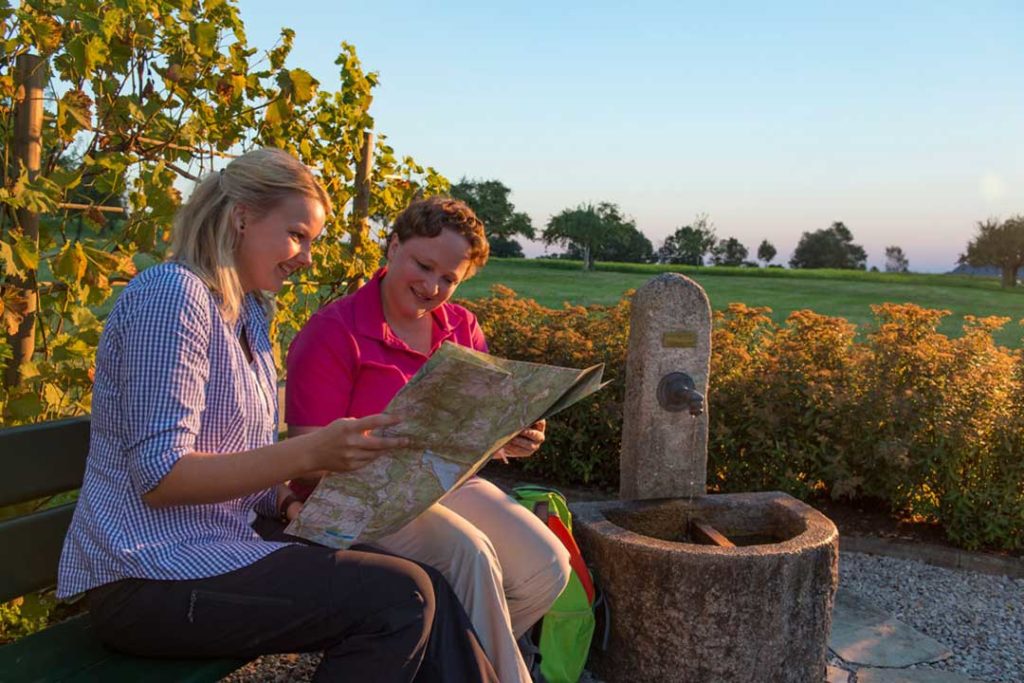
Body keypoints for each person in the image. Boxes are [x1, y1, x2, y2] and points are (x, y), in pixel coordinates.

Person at [56, 149, 498, 683]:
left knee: (427, 584)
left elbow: (233, 453)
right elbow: (161, 475)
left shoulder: (244, 310)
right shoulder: (171, 298)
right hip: (147, 574)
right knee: (398, 600)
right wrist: (311, 453)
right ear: (242, 216)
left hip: (218, 541)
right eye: (297, 235)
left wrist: (283, 498)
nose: (307, 257)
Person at [285, 196, 572, 683]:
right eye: (423, 265)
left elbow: (475, 425)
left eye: (449, 279)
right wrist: (374, 446)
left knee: (547, 565)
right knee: (470, 555)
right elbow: (306, 457)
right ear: (393, 246)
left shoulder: (460, 326)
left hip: (443, 481)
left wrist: (507, 437)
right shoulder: (335, 331)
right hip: (355, 494)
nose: (432, 286)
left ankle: (447, 662)